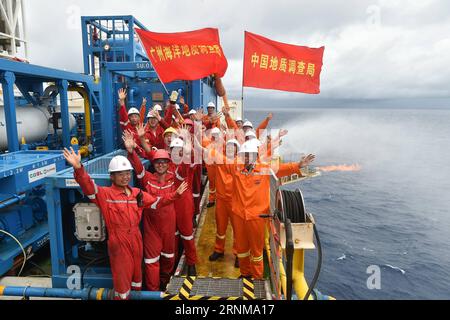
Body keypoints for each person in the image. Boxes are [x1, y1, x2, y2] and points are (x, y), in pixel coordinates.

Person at [62, 147, 168, 300]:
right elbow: (88, 186)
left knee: (137, 280)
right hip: (119, 243)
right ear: (112, 177)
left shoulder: (136, 193)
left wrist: (175, 195)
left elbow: (157, 202)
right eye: (120, 174)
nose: (125, 177)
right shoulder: (106, 195)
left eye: (127, 173)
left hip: (136, 240)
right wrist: (78, 168)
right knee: (122, 288)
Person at [225, 140, 316, 279]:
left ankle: (257, 278)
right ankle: (245, 273)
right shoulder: (236, 167)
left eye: (250, 155)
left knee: (256, 251)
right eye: (245, 155)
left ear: (255, 155)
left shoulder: (264, 169)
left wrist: (298, 165)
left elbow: (281, 169)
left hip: (256, 217)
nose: (247, 158)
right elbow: (218, 159)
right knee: (241, 249)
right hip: (239, 216)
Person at [123, 132, 188, 291]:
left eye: (164, 162)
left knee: (168, 259)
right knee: (151, 262)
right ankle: (153, 292)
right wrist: (131, 152)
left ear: (168, 163)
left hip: (168, 229)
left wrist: (187, 150)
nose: (160, 165)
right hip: (151, 229)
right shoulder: (147, 179)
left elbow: (185, 168)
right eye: (157, 162)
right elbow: (138, 168)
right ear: (153, 163)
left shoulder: (174, 179)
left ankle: (166, 286)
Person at [169, 136, 199, 276]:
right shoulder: (165, 164)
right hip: (169, 205)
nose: (177, 152)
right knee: (172, 236)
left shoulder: (186, 164)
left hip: (183, 206)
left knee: (187, 236)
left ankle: (192, 264)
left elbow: (189, 163)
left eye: (179, 150)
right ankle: (173, 263)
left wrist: (188, 147)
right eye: (174, 150)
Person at [209, 139, 240, 267]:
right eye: (228, 147)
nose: (230, 150)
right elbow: (204, 151)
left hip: (235, 201)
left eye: (233, 148)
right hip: (221, 200)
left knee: (237, 229)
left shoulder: (240, 163)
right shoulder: (219, 160)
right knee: (220, 227)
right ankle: (218, 249)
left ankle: (239, 254)